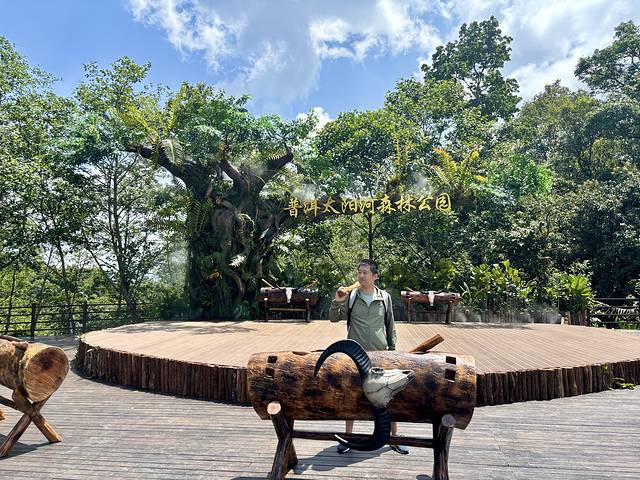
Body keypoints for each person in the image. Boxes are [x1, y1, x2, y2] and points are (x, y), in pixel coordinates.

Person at [329, 258, 409, 455]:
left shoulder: (384, 297)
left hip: (381, 354)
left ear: (375, 276)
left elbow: (390, 325)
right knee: (351, 394)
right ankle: (348, 437)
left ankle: (394, 437)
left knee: (388, 394)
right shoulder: (351, 296)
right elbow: (333, 318)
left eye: (365, 273)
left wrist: (392, 350)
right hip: (355, 355)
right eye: (359, 272)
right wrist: (337, 300)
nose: (361, 276)